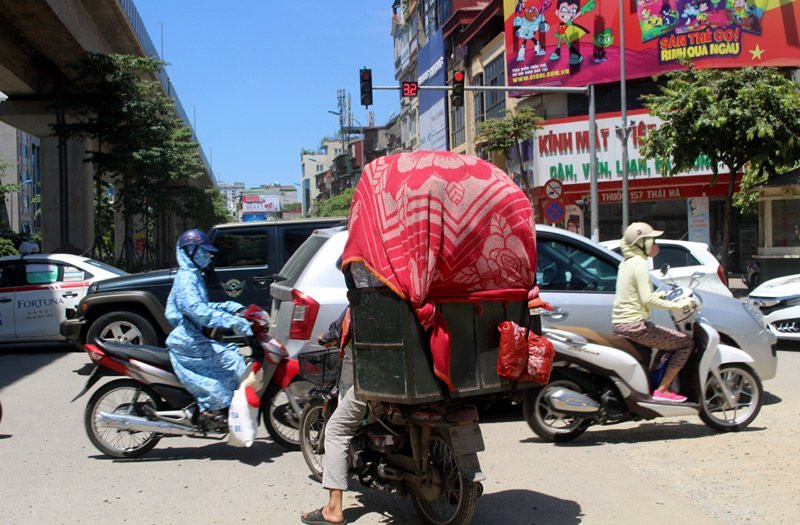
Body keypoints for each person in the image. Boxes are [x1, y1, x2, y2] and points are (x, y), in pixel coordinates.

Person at [302, 262, 379, 525]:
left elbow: (333, 332)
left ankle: (333, 508)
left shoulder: (358, 308)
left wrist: (325, 338)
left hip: (371, 386)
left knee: (335, 431)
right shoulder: (403, 297)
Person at [164, 229, 253, 424]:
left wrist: (231, 308)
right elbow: (198, 312)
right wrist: (232, 322)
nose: (208, 255)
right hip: (188, 339)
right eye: (203, 251)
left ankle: (218, 409)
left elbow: (204, 306)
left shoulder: (193, 275)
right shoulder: (186, 278)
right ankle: (212, 410)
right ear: (190, 251)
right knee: (234, 362)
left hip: (193, 336)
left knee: (233, 359)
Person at [612, 222, 696, 403]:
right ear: (642, 243)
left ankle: (653, 386)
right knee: (685, 344)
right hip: (636, 325)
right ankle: (663, 389)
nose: (656, 245)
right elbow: (646, 299)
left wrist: (662, 295)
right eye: (652, 240)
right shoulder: (640, 263)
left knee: (667, 344)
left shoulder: (626, 263)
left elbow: (636, 293)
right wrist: (678, 305)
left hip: (622, 323)